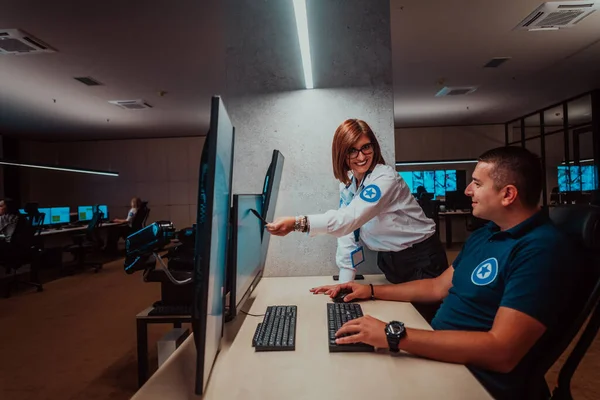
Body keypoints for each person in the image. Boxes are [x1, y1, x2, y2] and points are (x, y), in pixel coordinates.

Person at [310, 146, 575, 400]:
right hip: (442, 358)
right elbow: (437, 287)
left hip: (473, 381)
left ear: (508, 194)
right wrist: (369, 291)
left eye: (477, 183)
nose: (467, 190)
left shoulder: (541, 250)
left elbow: (502, 351)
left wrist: (394, 334)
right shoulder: (488, 233)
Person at [266, 119, 448, 320]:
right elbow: (348, 235)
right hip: (391, 261)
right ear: (342, 154)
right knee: (404, 319)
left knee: (424, 325)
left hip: (422, 260)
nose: (361, 157)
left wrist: (297, 223)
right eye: (352, 150)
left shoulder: (384, 178)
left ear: (374, 147)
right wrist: (345, 285)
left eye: (366, 148)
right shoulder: (347, 183)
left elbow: (347, 220)